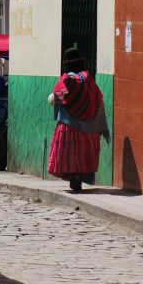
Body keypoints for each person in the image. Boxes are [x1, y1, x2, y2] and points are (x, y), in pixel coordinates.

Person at [48, 47, 110, 192]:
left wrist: (65, 104)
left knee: (70, 154)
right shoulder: (89, 80)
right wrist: (100, 124)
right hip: (88, 128)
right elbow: (98, 99)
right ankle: (79, 177)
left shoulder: (66, 79)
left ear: (67, 64)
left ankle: (73, 176)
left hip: (68, 126)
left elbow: (57, 96)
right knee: (82, 154)